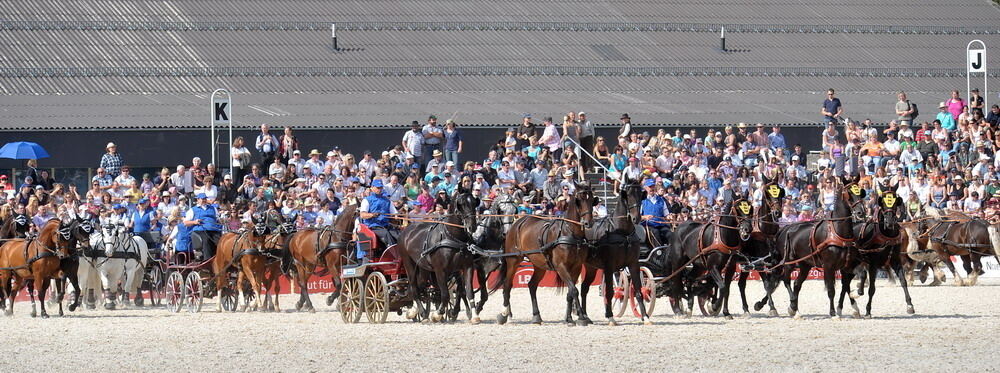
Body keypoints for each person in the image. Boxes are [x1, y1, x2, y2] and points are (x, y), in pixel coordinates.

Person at [358, 179, 398, 262]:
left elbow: (394, 213)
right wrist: (372, 214)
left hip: (386, 225)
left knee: (398, 234)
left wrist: (397, 216)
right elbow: (362, 215)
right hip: (373, 226)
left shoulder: (387, 201)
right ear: (372, 187)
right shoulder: (367, 200)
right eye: (377, 187)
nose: (379, 189)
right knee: (386, 234)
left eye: (380, 188)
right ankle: (395, 256)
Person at [183, 193, 222, 259]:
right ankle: (207, 260)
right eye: (202, 199)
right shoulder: (193, 210)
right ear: (198, 200)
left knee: (221, 242)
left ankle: (220, 259)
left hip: (214, 230)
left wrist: (222, 221)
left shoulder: (213, 208)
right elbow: (185, 223)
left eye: (205, 199)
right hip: (201, 230)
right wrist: (194, 222)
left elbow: (218, 219)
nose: (204, 200)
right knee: (206, 240)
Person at [640, 179, 671, 246]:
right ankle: (659, 252)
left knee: (670, 234)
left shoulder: (661, 200)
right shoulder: (642, 201)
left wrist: (669, 217)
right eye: (650, 187)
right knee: (655, 232)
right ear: (645, 188)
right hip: (649, 225)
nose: (652, 188)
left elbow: (666, 214)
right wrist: (645, 217)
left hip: (661, 224)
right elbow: (637, 217)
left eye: (653, 186)